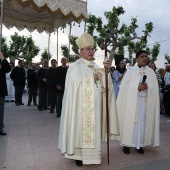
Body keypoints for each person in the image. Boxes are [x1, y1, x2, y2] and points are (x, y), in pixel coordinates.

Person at [58, 32, 119, 166]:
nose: (91, 51)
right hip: (80, 108)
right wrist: (90, 78)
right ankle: (79, 156)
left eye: (92, 49)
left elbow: (105, 87)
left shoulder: (97, 66)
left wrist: (106, 72)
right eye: (88, 49)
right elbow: (73, 85)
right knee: (79, 130)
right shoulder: (75, 66)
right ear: (81, 51)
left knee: (93, 130)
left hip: (95, 108)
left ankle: (93, 157)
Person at [116, 50, 160, 155]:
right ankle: (126, 144)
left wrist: (148, 86)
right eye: (142, 56)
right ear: (136, 59)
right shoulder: (131, 71)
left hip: (145, 102)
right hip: (132, 102)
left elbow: (155, 87)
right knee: (131, 123)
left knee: (142, 124)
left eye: (146, 56)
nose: (144, 58)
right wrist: (137, 87)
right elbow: (123, 87)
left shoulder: (150, 72)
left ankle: (139, 144)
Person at [0, 52, 11, 136]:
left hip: (1, 90)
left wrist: (2, 58)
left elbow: (8, 69)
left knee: (1, 110)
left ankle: (0, 128)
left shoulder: (2, 61)